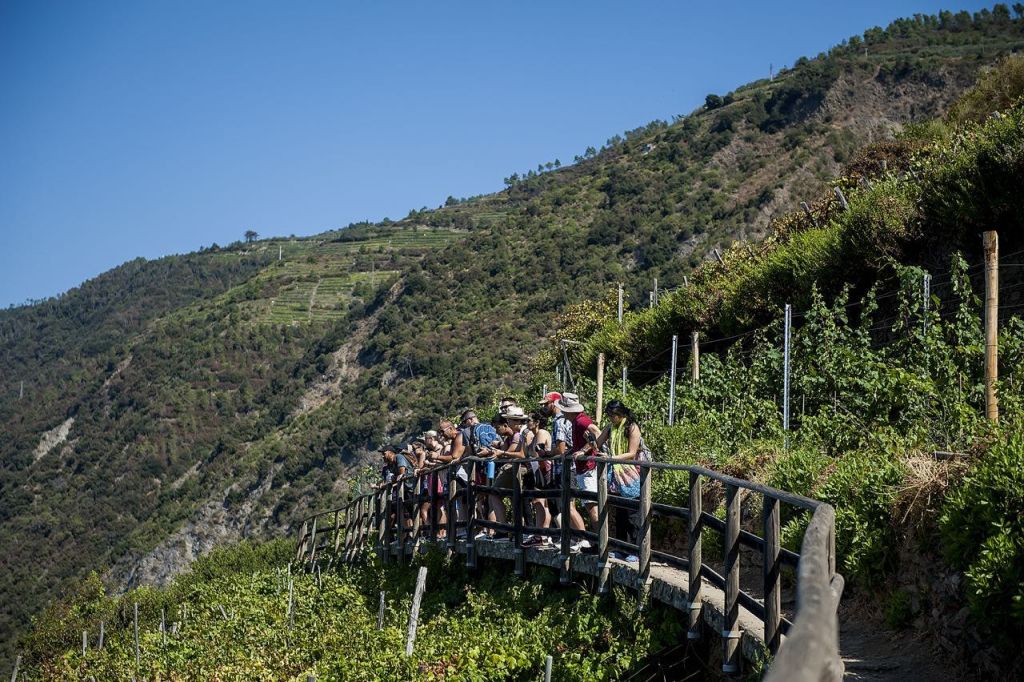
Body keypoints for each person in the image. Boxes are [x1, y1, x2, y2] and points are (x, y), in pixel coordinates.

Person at [594, 400, 648, 562]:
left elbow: (631, 453)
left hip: (630, 475)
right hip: (616, 477)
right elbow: (597, 443)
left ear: (621, 414)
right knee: (620, 514)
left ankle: (635, 550)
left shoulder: (632, 427)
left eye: (614, 415)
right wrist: (590, 444)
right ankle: (621, 548)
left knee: (633, 514)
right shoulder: (611, 428)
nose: (611, 418)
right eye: (610, 415)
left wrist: (610, 458)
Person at [559, 393, 603, 536]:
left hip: (588, 468)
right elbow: (586, 439)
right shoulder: (576, 421)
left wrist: (583, 451)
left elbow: (596, 432)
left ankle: (600, 543)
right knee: (591, 506)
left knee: (592, 507)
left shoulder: (580, 421)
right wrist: (573, 451)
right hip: (585, 468)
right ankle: (599, 541)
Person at [521, 410, 553, 547]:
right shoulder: (532, 435)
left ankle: (543, 534)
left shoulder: (541, 433)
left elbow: (539, 453)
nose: (526, 423)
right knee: (539, 502)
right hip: (537, 470)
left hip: (544, 469)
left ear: (537, 422)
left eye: (528, 420)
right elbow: (525, 454)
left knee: (542, 502)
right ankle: (541, 534)